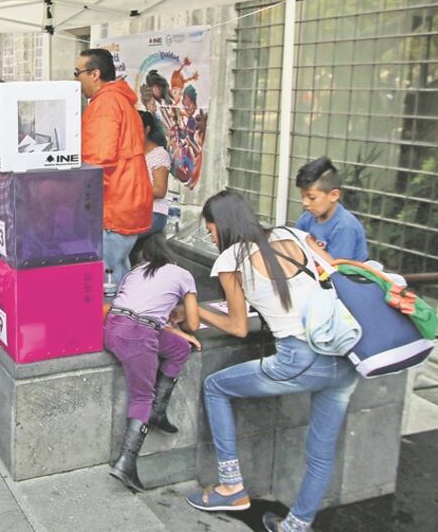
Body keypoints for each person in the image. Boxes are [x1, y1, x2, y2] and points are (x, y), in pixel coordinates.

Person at [186, 190, 357, 532]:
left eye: (210, 229)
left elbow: (236, 326)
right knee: (321, 451)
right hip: (345, 355)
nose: (211, 237)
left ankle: (231, 487)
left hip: (301, 359)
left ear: (221, 223)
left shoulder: (232, 259)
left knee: (215, 386)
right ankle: (296, 525)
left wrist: (197, 310)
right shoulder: (291, 233)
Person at [105, 233, 201, 492]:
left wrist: (173, 328)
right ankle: (126, 462)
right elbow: (193, 323)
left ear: (143, 255)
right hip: (139, 335)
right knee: (141, 398)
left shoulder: (135, 272)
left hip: (114, 328)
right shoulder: (182, 274)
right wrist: (181, 320)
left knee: (180, 348)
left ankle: (158, 411)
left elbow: (139, 308)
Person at [76, 48, 153, 286]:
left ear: (95, 74)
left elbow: (98, 158)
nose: (76, 79)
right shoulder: (120, 101)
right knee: (118, 269)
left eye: (77, 73)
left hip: (114, 204)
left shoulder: (106, 104)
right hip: (127, 199)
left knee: (108, 281)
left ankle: (114, 323)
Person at [295, 157, 368, 261]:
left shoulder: (345, 226)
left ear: (334, 195)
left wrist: (307, 241)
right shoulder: (306, 219)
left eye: (312, 198)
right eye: (303, 197)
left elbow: (336, 269)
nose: (305, 203)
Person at [140, 110, 171, 236]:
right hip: (134, 210)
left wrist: (132, 189)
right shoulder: (130, 153)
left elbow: (160, 190)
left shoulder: (159, 154)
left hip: (154, 212)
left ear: (146, 130)